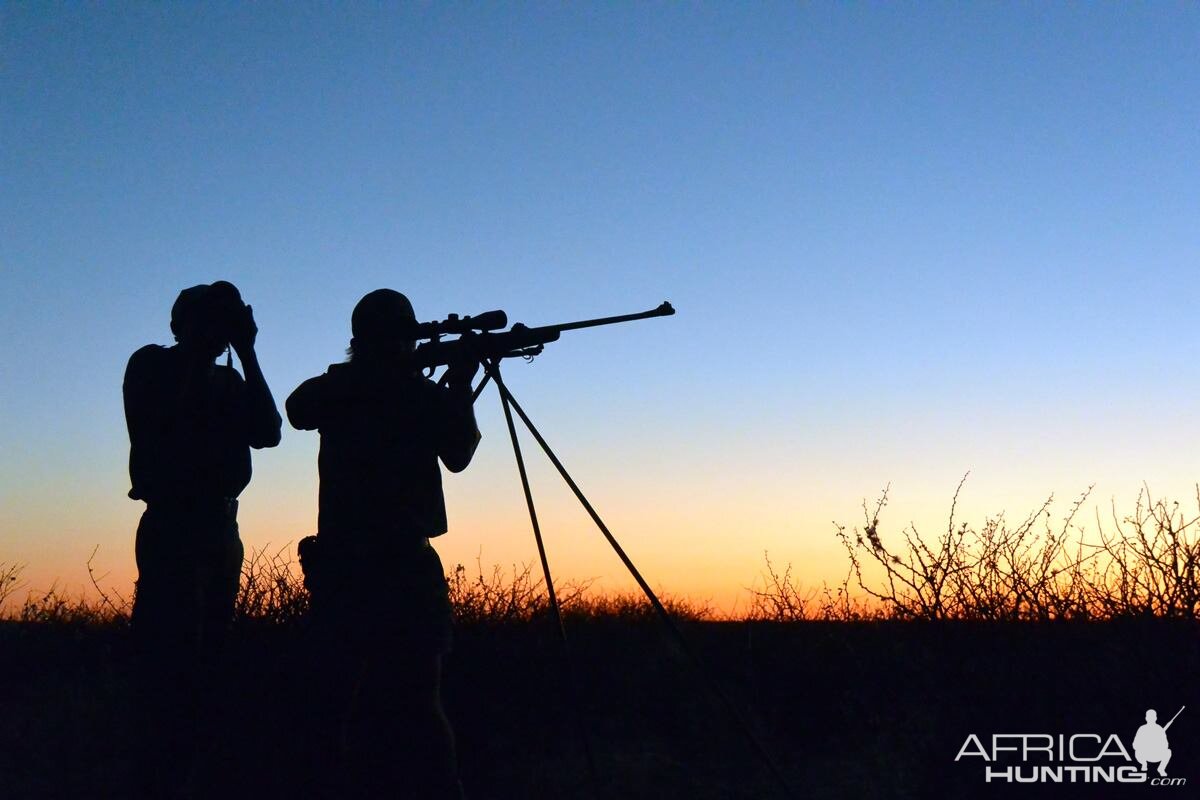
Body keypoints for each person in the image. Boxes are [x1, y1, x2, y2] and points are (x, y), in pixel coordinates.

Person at [287, 289, 480, 800]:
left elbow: (302, 408)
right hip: (394, 565)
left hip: (349, 567)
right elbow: (460, 451)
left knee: (360, 697)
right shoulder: (401, 392)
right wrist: (456, 383)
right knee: (415, 698)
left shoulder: (374, 388)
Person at [123, 280, 282, 793]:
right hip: (172, 521)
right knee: (165, 646)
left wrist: (249, 353)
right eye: (211, 320)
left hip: (219, 524)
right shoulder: (150, 364)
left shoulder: (230, 383)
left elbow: (269, 431)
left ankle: (199, 755)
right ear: (181, 325)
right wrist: (209, 347)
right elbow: (170, 417)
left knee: (213, 644)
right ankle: (159, 759)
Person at [1133, 709, 1172, 776]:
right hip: (1144, 755)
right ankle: (1144, 764)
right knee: (1137, 751)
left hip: (1156, 754)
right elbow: (1135, 744)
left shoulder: (1159, 729)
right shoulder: (1142, 729)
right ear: (1146, 718)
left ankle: (1161, 769)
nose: (1151, 718)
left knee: (1168, 752)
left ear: (1156, 718)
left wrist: (1157, 745)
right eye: (1149, 717)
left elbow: (1166, 745)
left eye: (1152, 717)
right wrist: (1145, 745)